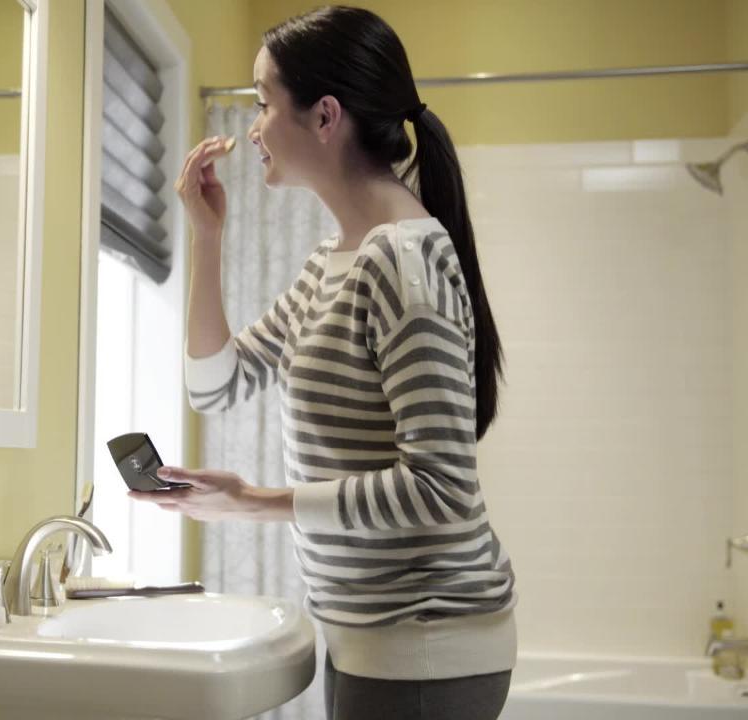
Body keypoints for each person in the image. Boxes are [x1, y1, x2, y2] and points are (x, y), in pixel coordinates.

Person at [128, 6, 517, 719]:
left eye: (264, 103)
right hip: (369, 637)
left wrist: (252, 503)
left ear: (325, 116)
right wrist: (207, 238)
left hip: (424, 645)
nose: (252, 128)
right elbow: (215, 386)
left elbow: (440, 487)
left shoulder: (401, 261)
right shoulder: (334, 263)